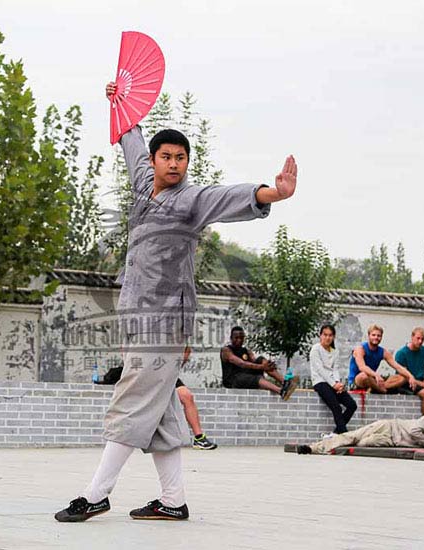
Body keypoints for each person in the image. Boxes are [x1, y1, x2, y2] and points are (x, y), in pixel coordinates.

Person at [55, 81, 298, 523]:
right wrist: (119, 100)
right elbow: (129, 137)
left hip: (163, 325)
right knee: (163, 416)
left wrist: (274, 193)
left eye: (180, 158)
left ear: (188, 163)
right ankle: (172, 501)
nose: (173, 163)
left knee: (130, 403)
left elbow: (230, 196)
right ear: (154, 160)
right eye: (166, 156)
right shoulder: (143, 180)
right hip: (135, 319)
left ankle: (96, 493)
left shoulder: (192, 198)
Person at [99, 347, 218, 451]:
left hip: (165, 373)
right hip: (142, 371)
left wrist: (173, 366)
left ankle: (199, 438)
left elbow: (186, 349)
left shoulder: (175, 332)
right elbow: (126, 348)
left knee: (187, 396)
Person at [295, 411, 424, 455]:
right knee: (353, 436)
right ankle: (313, 448)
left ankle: (333, 440)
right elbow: (414, 431)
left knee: (361, 443)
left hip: (390, 441)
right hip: (390, 427)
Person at [221, 326, 299, 400]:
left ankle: (285, 383)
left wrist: (268, 365)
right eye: (236, 338)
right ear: (231, 338)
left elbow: (255, 361)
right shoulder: (226, 350)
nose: (239, 340)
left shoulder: (246, 351)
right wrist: (262, 367)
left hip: (245, 376)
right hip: (233, 380)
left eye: (241, 338)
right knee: (254, 377)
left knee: (261, 360)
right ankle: (280, 391)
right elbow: (242, 363)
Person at [310, 324, 357, 434]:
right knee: (336, 407)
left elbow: (335, 369)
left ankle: (337, 432)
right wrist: (333, 384)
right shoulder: (315, 349)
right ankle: (343, 433)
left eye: (330, 335)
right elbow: (320, 370)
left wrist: (337, 383)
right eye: (325, 335)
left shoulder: (335, 351)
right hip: (320, 382)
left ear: (334, 337)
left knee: (352, 405)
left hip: (332, 383)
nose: (327, 338)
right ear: (320, 336)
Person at [348, 324, 417, 393]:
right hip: (357, 380)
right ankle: (381, 390)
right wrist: (376, 375)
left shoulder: (383, 352)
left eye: (379, 336)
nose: (376, 337)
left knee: (403, 377)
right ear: (368, 336)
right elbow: (362, 367)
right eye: (373, 335)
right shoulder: (360, 349)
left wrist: (410, 376)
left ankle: (376, 388)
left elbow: (397, 367)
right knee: (364, 375)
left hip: (373, 380)